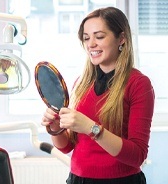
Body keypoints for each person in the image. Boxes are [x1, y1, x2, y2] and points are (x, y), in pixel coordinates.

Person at [41, 7, 155, 184]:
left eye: (99, 36)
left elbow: (137, 156)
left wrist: (91, 128)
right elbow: (67, 146)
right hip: (77, 179)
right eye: (86, 38)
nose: (91, 44)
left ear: (121, 38)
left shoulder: (139, 84)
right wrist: (56, 128)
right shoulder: (81, 83)